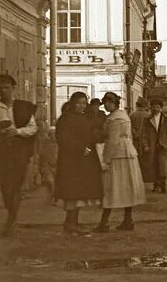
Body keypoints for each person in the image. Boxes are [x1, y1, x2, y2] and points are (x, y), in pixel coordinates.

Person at [0, 74, 37, 237]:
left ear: (13, 88)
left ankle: (11, 219)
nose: (3, 90)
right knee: (4, 185)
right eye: (0, 87)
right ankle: (11, 212)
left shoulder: (23, 107)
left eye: (6, 87)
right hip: (1, 151)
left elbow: (33, 128)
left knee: (15, 185)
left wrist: (17, 131)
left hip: (18, 150)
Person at [95, 92, 145, 232]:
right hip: (127, 153)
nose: (106, 105)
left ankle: (104, 223)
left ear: (115, 103)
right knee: (126, 188)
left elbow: (113, 141)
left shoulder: (116, 118)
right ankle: (127, 220)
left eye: (109, 102)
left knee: (110, 188)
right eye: (105, 102)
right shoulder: (122, 115)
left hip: (118, 156)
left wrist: (106, 160)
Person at [54, 92, 103, 234]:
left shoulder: (83, 117)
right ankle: (71, 223)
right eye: (79, 103)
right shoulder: (65, 119)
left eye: (84, 103)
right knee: (72, 192)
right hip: (70, 160)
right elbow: (62, 138)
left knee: (79, 193)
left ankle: (72, 222)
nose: (82, 105)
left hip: (82, 161)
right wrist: (80, 148)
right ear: (72, 103)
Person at [140, 98, 167, 193]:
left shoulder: (166, 119)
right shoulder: (147, 120)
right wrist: (145, 145)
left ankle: (163, 185)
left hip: (163, 146)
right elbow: (143, 134)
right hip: (152, 146)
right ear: (151, 108)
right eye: (153, 107)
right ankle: (156, 185)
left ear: (161, 108)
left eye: (157, 107)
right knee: (153, 166)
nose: (155, 109)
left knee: (163, 166)